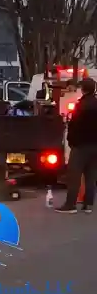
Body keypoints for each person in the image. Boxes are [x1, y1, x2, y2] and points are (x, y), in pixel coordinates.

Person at [55, 78, 97, 213]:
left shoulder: (81, 105)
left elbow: (75, 125)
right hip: (95, 145)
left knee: (74, 175)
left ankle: (70, 204)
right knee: (91, 176)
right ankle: (88, 204)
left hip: (80, 145)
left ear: (83, 89)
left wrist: (70, 139)